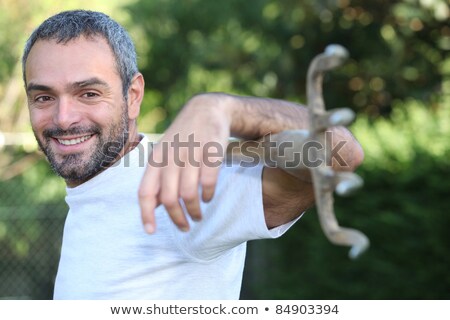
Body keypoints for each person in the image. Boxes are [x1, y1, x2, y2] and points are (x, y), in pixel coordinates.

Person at [22, 10, 364, 299]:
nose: (63, 118)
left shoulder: (180, 184)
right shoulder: (91, 189)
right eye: (44, 97)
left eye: (89, 93)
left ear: (133, 95)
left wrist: (223, 109)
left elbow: (339, 153)